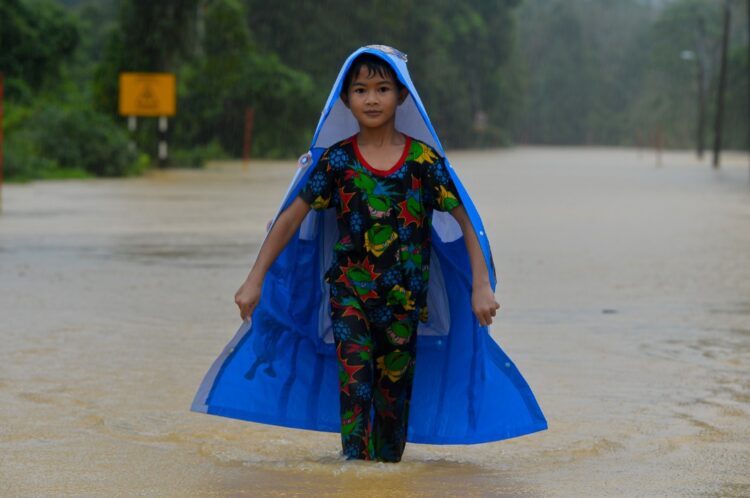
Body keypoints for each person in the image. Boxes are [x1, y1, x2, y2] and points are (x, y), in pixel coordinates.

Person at [191, 45, 547, 463]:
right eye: (361, 90)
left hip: (403, 306)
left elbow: (466, 222)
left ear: (402, 96)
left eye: (382, 88)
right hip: (349, 297)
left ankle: (384, 481)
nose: (372, 98)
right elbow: (289, 220)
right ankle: (354, 478)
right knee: (356, 391)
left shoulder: (423, 162)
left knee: (392, 413)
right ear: (346, 99)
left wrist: (481, 284)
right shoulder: (337, 161)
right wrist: (254, 279)